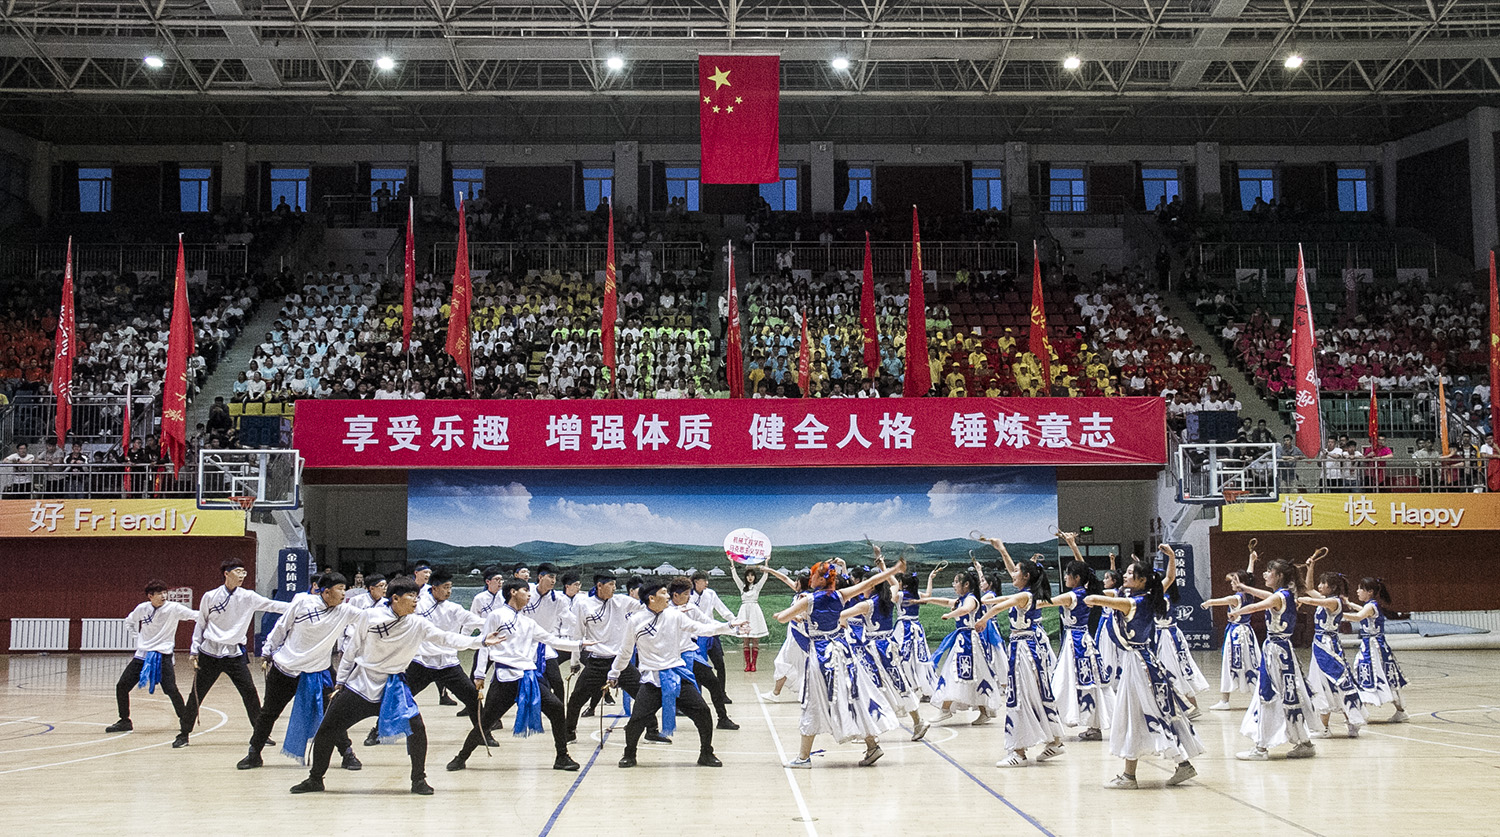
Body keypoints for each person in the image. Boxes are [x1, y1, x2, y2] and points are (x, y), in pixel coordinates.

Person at [290, 577, 502, 795]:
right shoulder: (370, 617)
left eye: (417, 596)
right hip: (361, 685)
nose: (416, 601)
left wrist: (480, 641)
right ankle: (315, 779)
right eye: (411, 596)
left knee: (417, 730)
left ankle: (418, 780)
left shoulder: (417, 623)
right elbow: (352, 650)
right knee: (327, 729)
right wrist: (341, 682)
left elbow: (446, 638)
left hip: (394, 689)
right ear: (395, 598)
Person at [774, 556, 907, 769]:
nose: (810, 578)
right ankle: (872, 745)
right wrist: (894, 569)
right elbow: (871, 582)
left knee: (814, 702)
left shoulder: (808, 600)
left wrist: (787, 615)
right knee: (853, 697)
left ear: (820, 579)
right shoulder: (841, 595)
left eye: (813, 575)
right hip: (843, 652)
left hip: (821, 655)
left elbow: (783, 618)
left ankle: (803, 757)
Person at [1084, 559, 1203, 789]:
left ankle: (1144, 773)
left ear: (1142, 580)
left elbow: (1102, 599)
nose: (1125, 576)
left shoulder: (1134, 602)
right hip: (1141, 662)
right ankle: (1140, 772)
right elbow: (1168, 579)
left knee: (1144, 713)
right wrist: (1170, 558)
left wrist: (1092, 598)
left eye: (1130, 573)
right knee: (1138, 715)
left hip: (1139, 666)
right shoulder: (1147, 596)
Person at [448, 579, 586, 772]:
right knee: (486, 721)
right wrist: (479, 674)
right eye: (525, 590)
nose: (529, 595)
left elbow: (551, 640)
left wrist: (579, 644)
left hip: (528, 678)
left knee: (556, 708)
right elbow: (484, 645)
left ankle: (562, 757)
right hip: (505, 678)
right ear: (513, 592)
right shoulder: (496, 616)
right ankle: (461, 756)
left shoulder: (528, 622)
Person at [610, 580, 746, 768]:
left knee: (703, 712)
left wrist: (729, 626)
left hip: (676, 676)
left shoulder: (675, 616)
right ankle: (629, 754)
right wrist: (614, 673)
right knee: (636, 720)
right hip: (652, 680)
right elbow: (625, 652)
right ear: (651, 598)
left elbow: (701, 628)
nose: (668, 596)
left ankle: (706, 753)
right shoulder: (635, 621)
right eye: (663, 593)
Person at [239, 572, 363, 770]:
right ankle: (254, 753)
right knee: (269, 712)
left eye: (345, 589)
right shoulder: (302, 602)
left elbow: (371, 618)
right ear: (326, 591)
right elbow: (281, 626)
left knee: (332, 714)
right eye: (340, 589)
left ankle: (347, 753)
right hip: (285, 668)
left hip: (318, 673)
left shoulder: (345, 611)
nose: (344, 593)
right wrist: (268, 650)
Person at [178, 559, 292, 748]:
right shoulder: (210, 596)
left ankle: (261, 734)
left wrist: (299, 606)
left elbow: (273, 605)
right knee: (197, 693)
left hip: (235, 654)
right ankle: (183, 733)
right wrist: (194, 649)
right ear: (226, 573)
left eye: (244, 572)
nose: (241, 576)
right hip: (210, 653)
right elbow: (201, 623)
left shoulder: (249, 597)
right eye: (238, 571)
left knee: (250, 693)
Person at [976, 556, 1066, 767]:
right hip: (1026, 647)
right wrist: (986, 601)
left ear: (1026, 576)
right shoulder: (1026, 593)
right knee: (1034, 694)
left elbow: (1000, 606)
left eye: (1016, 571)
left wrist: (983, 619)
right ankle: (1055, 740)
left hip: (1025, 649)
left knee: (1020, 696)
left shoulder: (1025, 595)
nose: (1012, 574)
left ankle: (1019, 752)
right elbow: (1002, 600)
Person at [1229, 557, 1318, 761]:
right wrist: (1245, 588)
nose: (1265, 574)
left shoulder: (1279, 597)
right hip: (1283, 651)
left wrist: (1237, 612)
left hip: (1276, 653)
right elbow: (1266, 596)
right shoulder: (1284, 594)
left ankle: (1261, 748)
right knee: (1289, 695)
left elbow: (1257, 606)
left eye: (1269, 571)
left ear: (1279, 575)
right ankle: (1304, 743)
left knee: (1267, 695)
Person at [565, 573, 668, 744]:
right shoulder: (583, 604)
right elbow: (578, 635)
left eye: (615, 584)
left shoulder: (622, 601)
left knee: (644, 696)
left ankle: (652, 731)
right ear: (599, 585)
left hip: (620, 662)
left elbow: (647, 606)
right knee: (576, 699)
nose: (614, 588)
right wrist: (574, 661)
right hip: (597, 661)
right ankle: (569, 733)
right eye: (611, 584)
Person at [107, 580, 198, 733]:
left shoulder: (174, 608)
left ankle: (185, 720)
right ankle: (124, 721)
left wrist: (212, 615)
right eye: (159, 593)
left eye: (165, 592)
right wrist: (138, 638)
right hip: (142, 656)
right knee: (122, 686)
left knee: (171, 689)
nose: (164, 596)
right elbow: (129, 621)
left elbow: (195, 615)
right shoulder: (142, 609)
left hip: (163, 656)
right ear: (150, 596)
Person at [1042, 539, 1110, 742]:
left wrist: (1020, 600)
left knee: (1062, 682)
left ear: (1076, 577)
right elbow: (1086, 569)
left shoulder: (1071, 596)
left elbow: (1044, 603)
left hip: (1075, 643)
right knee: (1089, 684)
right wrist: (1072, 545)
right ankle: (1094, 727)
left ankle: (1051, 725)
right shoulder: (1087, 592)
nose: (1065, 577)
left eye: (1067, 574)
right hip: (1085, 641)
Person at [1296, 554, 1367, 738]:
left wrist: (1298, 599)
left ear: (1333, 587)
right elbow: (1308, 589)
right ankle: (1328, 727)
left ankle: (1348, 722)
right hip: (1320, 645)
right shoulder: (1325, 598)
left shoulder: (1334, 602)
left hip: (1329, 647)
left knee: (1336, 682)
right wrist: (1310, 567)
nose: (1320, 586)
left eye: (1323, 583)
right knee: (1322, 684)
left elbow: (1312, 600)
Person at [923, 567, 1002, 725]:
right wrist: (927, 600)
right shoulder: (961, 600)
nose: (953, 585)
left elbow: (965, 610)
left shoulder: (971, 599)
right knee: (975, 676)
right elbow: (946, 602)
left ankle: (945, 709)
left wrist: (950, 615)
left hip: (969, 642)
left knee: (955, 672)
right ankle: (984, 711)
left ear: (966, 584)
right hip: (963, 641)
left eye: (956, 582)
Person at [671, 577, 740, 730]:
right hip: (670, 659)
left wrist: (732, 627)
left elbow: (707, 623)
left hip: (688, 653)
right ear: (675, 595)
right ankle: (651, 728)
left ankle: (723, 718)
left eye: (689, 594)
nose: (689, 597)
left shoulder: (691, 607)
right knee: (656, 693)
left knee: (713, 683)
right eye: (686, 594)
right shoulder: (666, 611)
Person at [1200, 549, 1261, 710]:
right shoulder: (1249, 594)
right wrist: (1251, 560)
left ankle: (1225, 701)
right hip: (1247, 633)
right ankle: (1258, 696)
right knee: (1252, 664)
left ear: (1241, 583)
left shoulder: (1236, 597)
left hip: (1236, 635)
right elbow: (1249, 575)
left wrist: (1208, 603)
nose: (1232, 582)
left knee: (1229, 665)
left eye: (1235, 580)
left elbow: (1223, 600)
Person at [1347, 576, 1409, 722]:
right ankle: (1398, 711)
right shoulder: (1371, 605)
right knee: (1371, 675)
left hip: (1374, 648)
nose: (1357, 591)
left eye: (1360, 589)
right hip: (1372, 646)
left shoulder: (1370, 606)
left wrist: (1336, 613)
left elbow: (1358, 617)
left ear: (1369, 592)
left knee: (1372, 675)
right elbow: (1362, 611)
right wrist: (1349, 603)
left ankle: (1397, 711)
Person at [769, 573, 813, 700]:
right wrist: (768, 569)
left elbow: (802, 617)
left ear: (800, 583)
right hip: (794, 633)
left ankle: (776, 693)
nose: (794, 583)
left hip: (798, 635)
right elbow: (784, 578)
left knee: (783, 661)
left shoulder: (805, 597)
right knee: (800, 665)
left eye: (796, 581)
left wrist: (783, 615)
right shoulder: (799, 595)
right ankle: (803, 693)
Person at [689, 571, 735, 693]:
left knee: (720, 664)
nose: (707, 583)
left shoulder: (710, 593)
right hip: (696, 636)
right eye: (704, 580)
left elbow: (723, 610)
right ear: (696, 582)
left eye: (707, 580)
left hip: (712, 633)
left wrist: (735, 621)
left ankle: (722, 693)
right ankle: (698, 695)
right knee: (699, 667)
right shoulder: (688, 596)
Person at [728, 560, 771, 672]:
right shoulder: (742, 587)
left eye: (752, 575)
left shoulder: (757, 587)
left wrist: (766, 563)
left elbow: (765, 576)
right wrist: (732, 564)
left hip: (755, 613)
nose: (750, 577)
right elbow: (735, 577)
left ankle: (754, 664)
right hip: (744, 612)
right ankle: (747, 664)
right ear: (746, 577)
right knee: (746, 639)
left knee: (755, 639)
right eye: (748, 575)